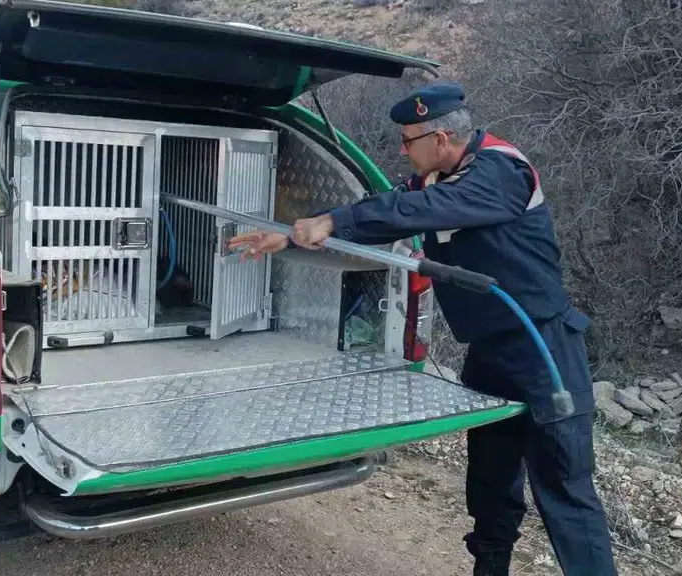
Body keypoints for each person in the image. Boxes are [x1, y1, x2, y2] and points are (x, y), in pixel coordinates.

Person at [227, 81, 619, 575]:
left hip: (543, 347)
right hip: (489, 353)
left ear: (440, 139)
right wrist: (288, 236)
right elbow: (385, 216)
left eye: (408, 140)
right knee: (491, 483)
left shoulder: (501, 170)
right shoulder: (433, 180)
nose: (402, 150)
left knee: (564, 488)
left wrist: (333, 221)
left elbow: (424, 210)